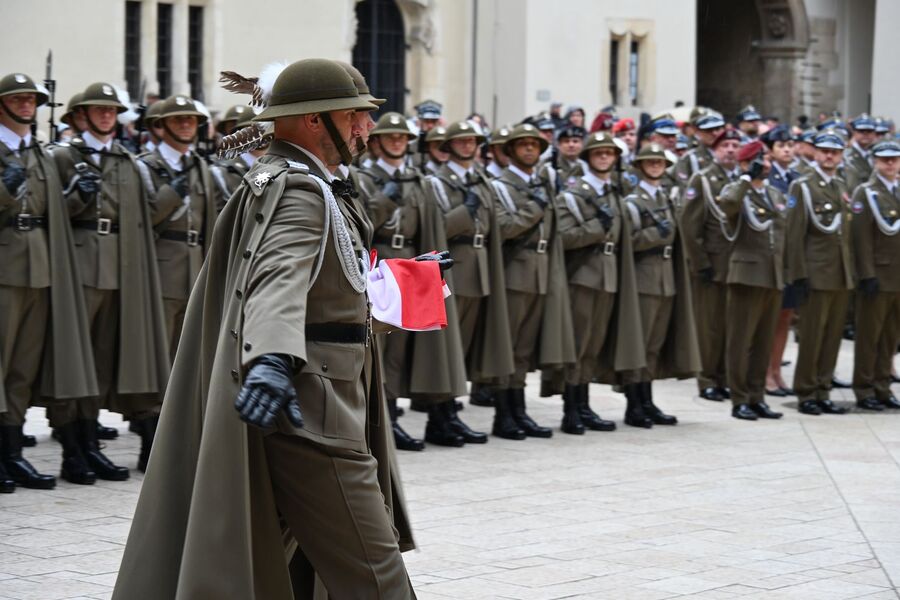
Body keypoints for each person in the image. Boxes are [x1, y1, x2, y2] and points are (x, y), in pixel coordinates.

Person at [113, 58, 422, 600]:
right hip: (314, 411)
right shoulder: (301, 191)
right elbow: (277, 278)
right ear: (311, 121)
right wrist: (273, 360)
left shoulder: (287, 180)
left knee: (269, 565)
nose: (366, 128)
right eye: (354, 116)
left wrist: (401, 285)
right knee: (378, 579)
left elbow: (322, 280)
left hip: (313, 400)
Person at [47, 82, 170, 480]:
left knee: (100, 360)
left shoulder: (125, 160)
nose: (106, 116)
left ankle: (90, 442)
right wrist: (74, 195)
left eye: (111, 110)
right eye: (97, 110)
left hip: (120, 266)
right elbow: (51, 212)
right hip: (80, 264)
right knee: (72, 358)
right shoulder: (63, 156)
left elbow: (142, 214)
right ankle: (71, 447)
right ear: (80, 115)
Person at [358, 113, 480, 449]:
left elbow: (430, 225)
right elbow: (360, 225)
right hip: (382, 265)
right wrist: (385, 199)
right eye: (391, 137)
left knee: (403, 346)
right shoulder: (365, 177)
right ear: (378, 141)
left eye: (402, 137)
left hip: (410, 266)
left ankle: (401, 414)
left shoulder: (418, 179)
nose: (398, 142)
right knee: (382, 348)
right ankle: (384, 418)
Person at [0, 72, 96, 493]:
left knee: (22, 368)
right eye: (17, 98)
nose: (26, 104)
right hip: (4, 269)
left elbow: (52, 211)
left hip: (40, 268)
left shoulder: (38, 153)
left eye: (31, 98)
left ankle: (11, 453)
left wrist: (78, 196)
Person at [423, 120, 515, 417]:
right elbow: (436, 228)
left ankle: (452, 409)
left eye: (472, 141)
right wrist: (467, 211)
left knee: (466, 344)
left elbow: (494, 226)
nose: (467, 145)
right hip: (455, 265)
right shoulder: (435, 182)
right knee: (449, 343)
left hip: (480, 268)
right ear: (448, 146)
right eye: (461, 141)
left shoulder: (482, 180)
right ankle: (441, 413)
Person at [490, 123, 575, 439]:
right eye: (522, 145)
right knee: (508, 346)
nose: (529, 149)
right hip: (515, 272)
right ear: (510, 151)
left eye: (534, 145)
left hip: (541, 271)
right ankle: (503, 413)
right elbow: (505, 228)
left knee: (524, 350)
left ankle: (519, 409)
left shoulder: (542, 184)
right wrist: (536, 206)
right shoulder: (499, 186)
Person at [555, 132, 633, 433]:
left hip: (608, 273)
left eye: (609, 153)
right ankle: (570, 409)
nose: (604, 157)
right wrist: (595, 229)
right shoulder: (575, 191)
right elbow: (564, 235)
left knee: (593, 345)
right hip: (584, 275)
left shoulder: (613, 190)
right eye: (598, 153)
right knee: (577, 343)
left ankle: (584, 404)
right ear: (588, 157)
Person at [619, 144, 699, 427]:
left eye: (659, 162)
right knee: (639, 344)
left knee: (653, 345)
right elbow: (629, 240)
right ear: (640, 166)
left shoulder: (665, 196)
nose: (655, 165)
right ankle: (634, 404)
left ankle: (647, 399)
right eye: (649, 161)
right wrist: (656, 234)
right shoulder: (633, 201)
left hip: (665, 275)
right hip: (644, 275)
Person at [137, 94, 221, 360]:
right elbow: (141, 219)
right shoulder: (144, 165)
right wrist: (171, 194)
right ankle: (153, 402)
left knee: (187, 349)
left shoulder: (200, 166)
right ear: (163, 125)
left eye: (192, 120)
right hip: (162, 266)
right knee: (158, 343)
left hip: (195, 265)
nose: (186, 124)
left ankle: (176, 402)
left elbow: (209, 222)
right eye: (179, 119)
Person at [786, 130, 855, 415]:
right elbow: (794, 235)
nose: (829, 156)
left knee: (832, 336)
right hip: (815, 273)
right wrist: (798, 275)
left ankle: (823, 389)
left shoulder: (840, 184)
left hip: (839, 273)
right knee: (812, 335)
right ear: (814, 152)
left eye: (835, 152)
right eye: (824, 151)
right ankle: (806, 392)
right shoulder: (803, 187)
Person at [717, 141, 787, 421]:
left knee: (762, 340)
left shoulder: (773, 193)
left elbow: (782, 234)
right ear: (746, 164)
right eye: (760, 160)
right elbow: (729, 205)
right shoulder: (736, 190)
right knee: (740, 340)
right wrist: (745, 177)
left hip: (772, 274)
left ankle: (757, 396)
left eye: (767, 159)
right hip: (746, 274)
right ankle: (739, 398)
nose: (767, 164)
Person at [680, 128, 741, 401]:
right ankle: (706, 379)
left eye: (735, 145)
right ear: (715, 150)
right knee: (709, 327)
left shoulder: (742, 181)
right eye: (724, 145)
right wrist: (700, 263)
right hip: (711, 264)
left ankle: (725, 377)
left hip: (737, 265)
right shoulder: (702, 180)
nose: (730, 150)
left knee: (731, 325)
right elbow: (689, 226)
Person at [850, 140, 900, 411]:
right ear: (874, 162)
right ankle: (864, 388)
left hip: (898, 277)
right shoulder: (865, 192)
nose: (890, 164)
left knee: (890, 337)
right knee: (870, 336)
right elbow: (861, 238)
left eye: (894, 159)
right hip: (878, 275)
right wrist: (866, 274)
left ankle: (882, 385)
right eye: (884, 159)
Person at [761, 125, 801, 397]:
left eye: (790, 144)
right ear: (770, 151)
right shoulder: (766, 179)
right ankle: (764, 373)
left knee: (786, 317)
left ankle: (776, 369)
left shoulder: (798, 179)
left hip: (793, 259)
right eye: (780, 145)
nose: (787, 149)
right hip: (772, 258)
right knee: (769, 318)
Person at [843, 113, 878, 191]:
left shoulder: (875, 155)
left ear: (874, 133)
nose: (865, 134)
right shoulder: (845, 156)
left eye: (869, 131)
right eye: (861, 131)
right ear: (854, 132)